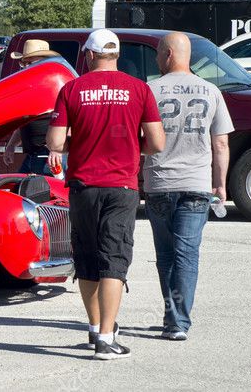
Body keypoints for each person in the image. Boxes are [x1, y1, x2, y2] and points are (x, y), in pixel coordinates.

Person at [46, 29, 165, 360]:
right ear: (116, 55)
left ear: (88, 55)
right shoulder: (139, 89)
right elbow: (157, 143)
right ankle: (107, 337)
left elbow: (55, 143)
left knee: (87, 258)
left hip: (84, 186)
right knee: (114, 260)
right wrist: (130, 143)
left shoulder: (72, 89)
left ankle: (95, 329)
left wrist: (79, 141)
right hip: (121, 186)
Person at [144, 32, 233, 341]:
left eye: (158, 53)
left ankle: (173, 317)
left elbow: (137, 139)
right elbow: (220, 144)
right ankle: (178, 322)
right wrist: (220, 185)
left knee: (166, 256)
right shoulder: (211, 91)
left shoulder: (149, 90)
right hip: (196, 184)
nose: (156, 59)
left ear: (169, 55)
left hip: (159, 182)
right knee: (187, 255)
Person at [3, 40, 62, 174]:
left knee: (37, 193)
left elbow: (68, 122)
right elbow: (26, 121)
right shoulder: (31, 88)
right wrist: (11, 145)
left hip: (47, 155)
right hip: (34, 155)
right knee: (21, 191)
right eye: (23, 63)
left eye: (30, 63)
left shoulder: (54, 86)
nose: (25, 67)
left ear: (44, 62)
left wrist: (56, 149)